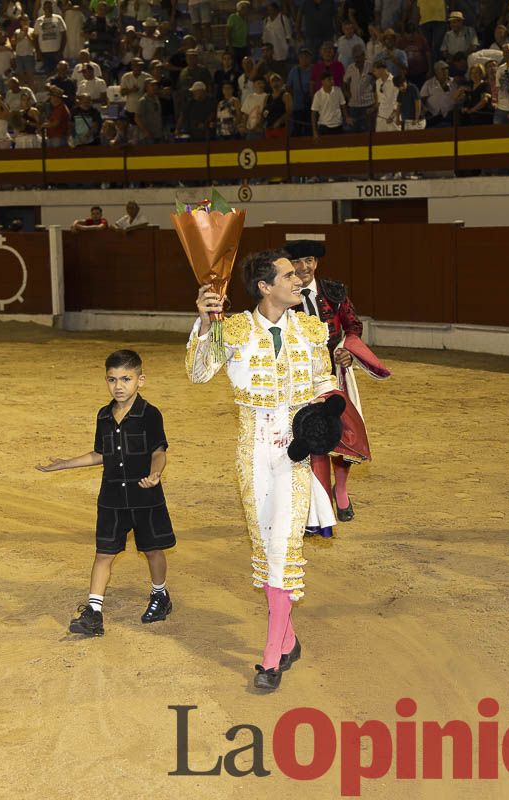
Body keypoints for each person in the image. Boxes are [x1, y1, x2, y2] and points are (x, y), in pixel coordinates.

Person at [188, 249, 338, 692]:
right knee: (266, 547)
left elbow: (323, 383)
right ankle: (287, 639)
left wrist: (323, 420)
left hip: (294, 451)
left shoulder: (312, 329)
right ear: (265, 287)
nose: (300, 279)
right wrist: (203, 323)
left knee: (281, 550)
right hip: (253, 451)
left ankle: (272, 658)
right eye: (290, 275)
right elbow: (198, 374)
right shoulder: (232, 330)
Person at [40, 349, 175, 637]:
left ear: (141, 380)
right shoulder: (103, 415)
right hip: (112, 498)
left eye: (126, 378)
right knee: (104, 553)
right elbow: (100, 454)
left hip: (144, 497)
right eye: (112, 379)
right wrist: (65, 464)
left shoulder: (150, 414)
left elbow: (159, 451)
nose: (119, 386)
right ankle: (94, 612)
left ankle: (160, 595)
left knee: (152, 550)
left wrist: (156, 473)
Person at [285, 238, 390, 526]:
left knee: (342, 433)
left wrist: (347, 350)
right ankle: (312, 499)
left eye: (309, 260)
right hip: (297, 378)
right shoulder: (283, 294)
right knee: (305, 433)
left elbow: (353, 326)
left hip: (335, 373)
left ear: (316, 263)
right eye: (297, 261)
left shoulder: (334, 292)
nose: (304, 267)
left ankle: (340, 490)